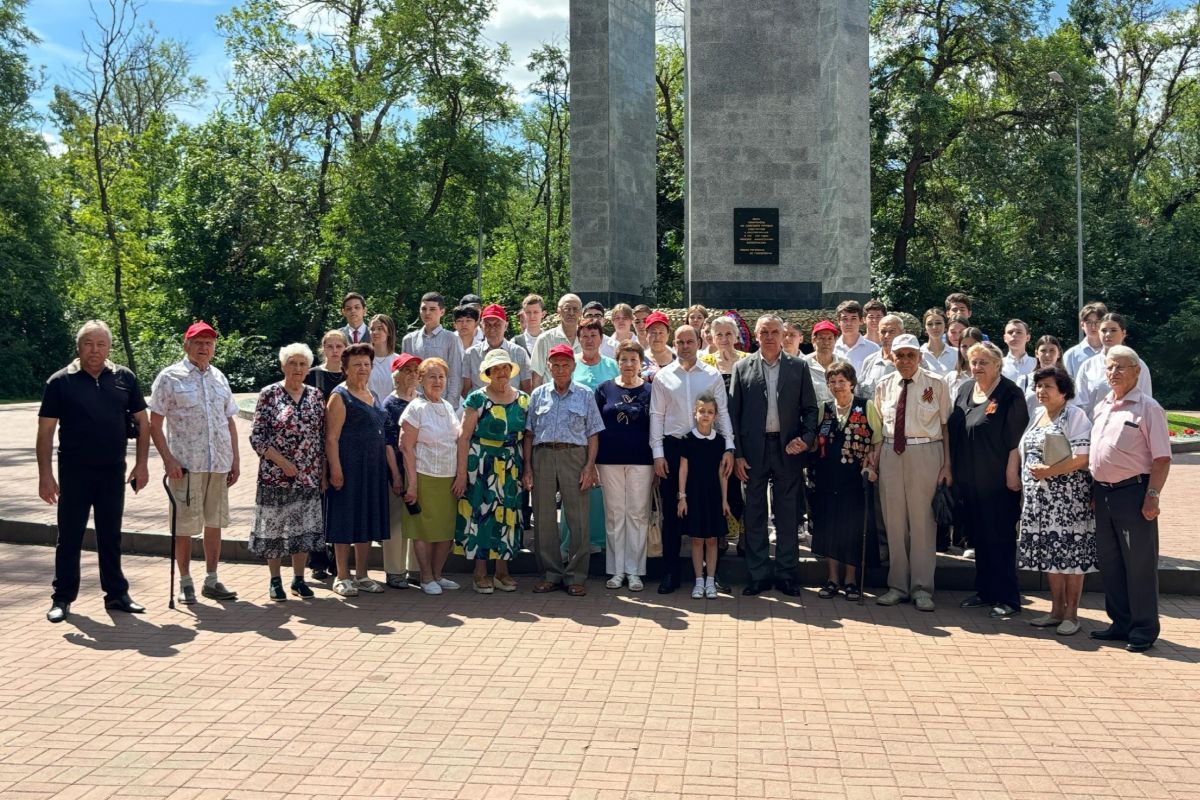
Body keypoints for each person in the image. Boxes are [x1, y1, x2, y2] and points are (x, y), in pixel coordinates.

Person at [38, 320, 150, 623]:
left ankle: (116, 594)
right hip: (74, 471)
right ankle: (62, 598)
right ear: (79, 346)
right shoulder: (60, 382)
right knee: (70, 536)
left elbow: (143, 422)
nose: (95, 350)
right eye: (89, 343)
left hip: (113, 470)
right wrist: (45, 476)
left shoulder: (124, 378)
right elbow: (45, 432)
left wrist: (142, 464)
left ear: (109, 347)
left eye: (101, 344)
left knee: (110, 535)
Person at [149, 321, 240, 604]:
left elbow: (229, 421)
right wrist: (168, 460)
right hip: (185, 465)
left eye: (209, 343)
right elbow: (154, 424)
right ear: (186, 345)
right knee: (184, 526)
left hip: (218, 464)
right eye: (198, 342)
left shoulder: (219, 377)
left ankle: (211, 579)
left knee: (215, 523)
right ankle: (185, 581)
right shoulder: (170, 377)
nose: (204, 347)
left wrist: (235, 459)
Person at [1089, 345, 1171, 652]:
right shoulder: (1103, 406)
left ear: (1137, 372)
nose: (1114, 373)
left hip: (1134, 493)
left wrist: (1152, 496)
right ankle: (1120, 623)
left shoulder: (1148, 408)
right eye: (1110, 368)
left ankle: (1143, 628)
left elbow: (1162, 458)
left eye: (1121, 367)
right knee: (1111, 563)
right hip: (1103, 494)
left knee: (1139, 564)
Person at [729, 315, 817, 596]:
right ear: (756, 335)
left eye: (775, 332)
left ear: (783, 335)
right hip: (753, 452)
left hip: (787, 450)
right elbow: (734, 415)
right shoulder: (742, 368)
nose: (769, 336)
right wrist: (738, 455)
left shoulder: (798, 367)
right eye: (764, 332)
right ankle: (758, 574)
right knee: (754, 513)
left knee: (787, 514)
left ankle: (786, 574)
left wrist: (805, 439)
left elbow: (811, 410)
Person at [650, 325, 734, 593]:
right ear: (674, 344)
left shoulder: (712, 375)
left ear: (699, 342)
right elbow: (657, 416)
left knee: (710, 511)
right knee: (674, 515)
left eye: (690, 341)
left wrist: (729, 447)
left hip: (708, 449)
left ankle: (713, 575)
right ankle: (671, 573)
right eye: (680, 342)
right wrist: (658, 454)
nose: (685, 346)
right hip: (674, 449)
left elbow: (723, 413)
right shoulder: (663, 377)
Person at [873, 334, 953, 611]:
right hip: (890, 454)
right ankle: (897, 585)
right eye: (900, 355)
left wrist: (947, 466)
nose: (905, 360)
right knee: (894, 522)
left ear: (919, 357)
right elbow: (878, 427)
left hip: (926, 452)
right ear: (892, 358)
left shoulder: (936, 384)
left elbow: (945, 427)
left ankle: (921, 588)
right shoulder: (884, 385)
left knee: (922, 523)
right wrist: (873, 463)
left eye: (910, 355)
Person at [951, 342, 1029, 618]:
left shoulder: (1010, 393)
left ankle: (1008, 598)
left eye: (984, 362)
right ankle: (985, 591)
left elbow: (1015, 438)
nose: (977, 367)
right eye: (973, 362)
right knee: (980, 538)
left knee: (1000, 538)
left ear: (998, 364)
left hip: (998, 480)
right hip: (969, 481)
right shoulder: (963, 390)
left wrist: (1011, 472)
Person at [1017, 366, 1096, 636]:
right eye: (1038, 386)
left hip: (1069, 502)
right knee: (1051, 554)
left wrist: (1049, 472)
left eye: (1048, 386)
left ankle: (1072, 614)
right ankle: (1055, 611)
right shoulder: (1038, 414)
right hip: (1041, 503)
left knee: (1071, 557)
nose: (1041, 391)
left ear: (1063, 390)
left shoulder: (1075, 415)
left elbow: (1082, 457)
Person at [523, 344, 606, 596]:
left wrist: (590, 466)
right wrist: (527, 467)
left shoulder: (584, 394)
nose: (560, 369)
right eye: (555, 365)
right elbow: (529, 434)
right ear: (548, 367)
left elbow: (593, 433)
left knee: (578, 518)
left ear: (573, 366)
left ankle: (576, 576)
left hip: (574, 456)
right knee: (544, 518)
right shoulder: (538, 394)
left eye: (565, 365)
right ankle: (550, 574)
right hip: (543, 455)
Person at [248, 344, 325, 601]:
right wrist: (282, 462)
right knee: (275, 528)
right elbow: (257, 436)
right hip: (275, 475)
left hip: (308, 475)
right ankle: (275, 580)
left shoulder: (316, 395)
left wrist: (321, 471)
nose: (298, 369)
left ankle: (299, 579)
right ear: (283, 366)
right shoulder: (269, 394)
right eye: (292, 363)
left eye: (303, 364)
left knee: (302, 529)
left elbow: (321, 436)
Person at [453, 349, 529, 593]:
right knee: (481, 515)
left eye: (505, 368)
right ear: (487, 373)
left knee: (508, 516)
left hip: (511, 465)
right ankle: (480, 573)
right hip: (482, 463)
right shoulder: (476, 399)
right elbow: (464, 438)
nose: (501, 373)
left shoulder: (523, 399)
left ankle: (502, 572)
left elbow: (527, 437)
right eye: (495, 369)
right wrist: (462, 474)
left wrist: (528, 467)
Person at [324, 342, 394, 597]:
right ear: (345, 368)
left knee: (366, 520)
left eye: (366, 364)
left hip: (372, 467)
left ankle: (362, 574)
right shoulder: (339, 396)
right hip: (348, 466)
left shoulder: (373, 394)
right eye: (356, 365)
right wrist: (335, 469)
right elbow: (331, 437)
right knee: (345, 519)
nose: (362, 368)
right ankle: (342, 576)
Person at [810, 361, 882, 601]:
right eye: (832, 381)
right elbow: (815, 441)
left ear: (852, 383)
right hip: (828, 478)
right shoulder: (825, 408)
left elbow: (878, 439)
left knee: (852, 529)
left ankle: (850, 580)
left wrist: (872, 465)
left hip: (854, 479)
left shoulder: (866, 406)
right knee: (830, 528)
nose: (837, 386)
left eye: (842, 381)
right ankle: (832, 579)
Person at [399, 357, 462, 595]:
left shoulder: (447, 406)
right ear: (421, 379)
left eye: (441, 376)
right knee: (423, 530)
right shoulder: (415, 408)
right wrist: (412, 485)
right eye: (432, 376)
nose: (437, 381)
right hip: (423, 476)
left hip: (447, 477)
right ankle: (425, 577)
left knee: (445, 529)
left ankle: (437, 575)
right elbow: (406, 447)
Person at [595, 341, 654, 591]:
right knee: (615, 514)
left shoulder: (651, 390)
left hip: (642, 460)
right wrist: (593, 462)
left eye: (633, 360)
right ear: (617, 361)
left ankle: (635, 571)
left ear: (641, 362)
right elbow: (594, 428)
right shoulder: (603, 389)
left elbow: (657, 426)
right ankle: (617, 570)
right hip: (609, 460)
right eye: (624, 359)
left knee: (638, 514)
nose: (628, 364)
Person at [563, 319, 618, 553]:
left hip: (607, 438)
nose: (588, 340)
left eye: (593, 335)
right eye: (584, 336)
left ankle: (599, 540)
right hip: (575, 438)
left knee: (601, 491)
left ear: (601, 338)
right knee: (573, 489)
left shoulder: (612, 365)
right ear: (578, 339)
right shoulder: (570, 364)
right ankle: (570, 541)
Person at [678, 394, 729, 599]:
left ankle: (710, 581)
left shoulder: (720, 441)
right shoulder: (687, 439)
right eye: (702, 411)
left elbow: (722, 473)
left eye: (709, 412)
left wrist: (724, 499)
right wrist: (682, 497)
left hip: (714, 496)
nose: (705, 415)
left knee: (712, 540)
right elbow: (683, 470)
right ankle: (698, 581)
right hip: (695, 495)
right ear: (695, 413)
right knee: (697, 540)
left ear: (715, 415)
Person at [381, 354, 421, 589]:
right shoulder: (390, 404)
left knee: (416, 518)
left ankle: (416, 568)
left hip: (420, 467)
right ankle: (394, 570)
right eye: (408, 370)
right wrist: (395, 475)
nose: (413, 374)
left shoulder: (422, 399)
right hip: (397, 466)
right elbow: (387, 443)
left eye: (416, 370)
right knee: (396, 521)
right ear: (397, 375)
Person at [1073, 312, 1153, 418]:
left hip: (1129, 427)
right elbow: (1080, 403)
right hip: (1095, 427)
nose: (1108, 334)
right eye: (1104, 330)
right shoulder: (1088, 366)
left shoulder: (1138, 365)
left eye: (1113, 330)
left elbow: (1146, 401)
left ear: (1123, 333)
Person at [401, 292, 465, 410]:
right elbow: (404, 375)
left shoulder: (451, 339)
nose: (427, 313)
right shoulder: (409, 340)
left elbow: (455, 375)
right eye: (424, 309)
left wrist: (449, 406)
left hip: (442, 403)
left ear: (442, 311)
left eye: (432, 309)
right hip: (415, 404)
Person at [462, 304, 532, 396]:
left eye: (497, 324)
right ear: (482, 326)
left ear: (506, 326)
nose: (492, 329)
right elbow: (465, 390)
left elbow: (527, 390)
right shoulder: (471, 354)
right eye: (487, 324)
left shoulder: (519, 353)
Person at [530, 293, 584, 386]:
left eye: (575, 309)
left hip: (581, 397)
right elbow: (537, 375)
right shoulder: (545, 339)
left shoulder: (587, 339)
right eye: (567, 308)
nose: (571, 313)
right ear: (559, 311)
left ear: (581, 312)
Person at [857, 314, 904, 399]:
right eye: (883, 332)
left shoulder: (914, 361)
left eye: (892, 331)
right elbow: (859, 394)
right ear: (878, 333)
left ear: (902, 333)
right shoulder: (869, 361)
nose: (887, 336)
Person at [1016, 335, 1064, 415]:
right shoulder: (1024, 381)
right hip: (1030, 426)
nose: (1047, 355)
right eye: (1043, 351)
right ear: (1036, 353)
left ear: (1058, 353)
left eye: (1052, 350)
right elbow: (1016, 410)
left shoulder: (1067, 381)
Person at [1063, 301, 1108, 377]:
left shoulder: (1113, 352)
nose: (1093, 326)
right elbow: (1066, 385)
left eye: (1097, 322)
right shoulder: (1071, 355)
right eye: (1089, 322)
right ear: (1082, 325)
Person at [833, 300, 879, 372]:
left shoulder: (873, 349)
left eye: (853, 318)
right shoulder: (831, 348)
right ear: (838, 321)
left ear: (861, 321)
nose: (849, 323)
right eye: (844, 319)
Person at [805, 320, 839, 407]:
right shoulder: (803, 364)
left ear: (835, 340)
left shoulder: (844, 364)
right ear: (814, 340)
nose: (826, 342)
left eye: (830, 338)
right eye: (822, 338)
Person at [367, 313, 399, 407]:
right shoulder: (364, 361)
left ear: (389, 332)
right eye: (372, 329)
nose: (375, 332)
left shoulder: (397, 360)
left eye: (380, 328)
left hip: (392, 412)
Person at [305, 330, 348, 396]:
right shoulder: (311, 374)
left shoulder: (351, 374)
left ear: (346, 348)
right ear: (324, 349)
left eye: (338, 346)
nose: (335, 350)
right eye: (330, 347)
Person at [642, 311, 677, 381]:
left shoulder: (677, 358)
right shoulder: (639, 359)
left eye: (661, 332)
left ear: (668, 334)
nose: (657, 337)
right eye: (653, 333)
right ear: (646, 335)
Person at [920, 308, 955, 374]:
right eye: (930, 324)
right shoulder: (919, 354)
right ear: (925, 329)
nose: (934, 327)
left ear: (945, 327)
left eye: (938, 323)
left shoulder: (956, 353)